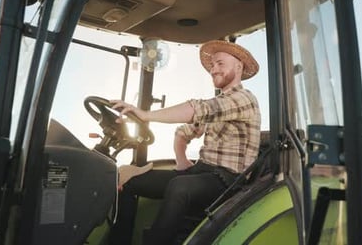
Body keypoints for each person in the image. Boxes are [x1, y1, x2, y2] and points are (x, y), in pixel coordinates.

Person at [108, 40, 261, 245]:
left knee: (180, 187)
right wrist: (181, 161)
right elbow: (183, 133)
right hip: (201, 172)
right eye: (212, 65)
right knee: (127, 182)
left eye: (220, 64)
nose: (214, 69)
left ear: (239, 67)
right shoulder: (218, 106)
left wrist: (145, 115)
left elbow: (198, 109)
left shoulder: (244, 99)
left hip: (229, 180)